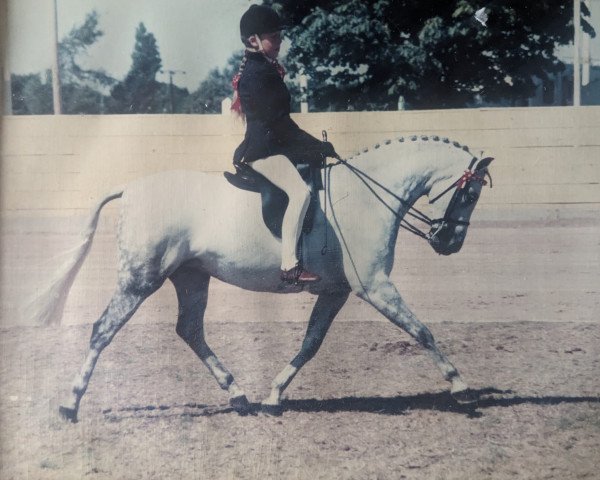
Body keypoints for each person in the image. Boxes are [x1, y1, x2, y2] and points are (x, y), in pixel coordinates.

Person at [231, 5, 337, 284]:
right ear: (253, 40)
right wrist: (315, 146)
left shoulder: (263, 69)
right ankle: (290, 264)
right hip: (264, 149)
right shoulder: (259, 74)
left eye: (279, 36)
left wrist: (313, 147)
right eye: (274, 37)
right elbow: (280, 125)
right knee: (300, 193)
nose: (280, 42)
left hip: (271, 143)